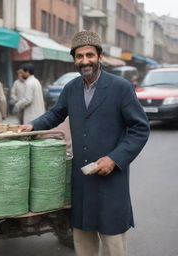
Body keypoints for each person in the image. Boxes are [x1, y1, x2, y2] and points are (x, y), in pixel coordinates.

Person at [18, 30, 150, 256]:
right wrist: (33, 125)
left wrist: (115, 158)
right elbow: (56, 114)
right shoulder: (71, 89)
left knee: (113, 242)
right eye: (79, 56)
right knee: (83, 239)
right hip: (82, 179)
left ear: (100, 56)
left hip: (111, 178)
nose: (85, 61)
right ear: (74, 60)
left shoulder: (121, 88)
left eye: (90, 55)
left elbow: (140, 129)